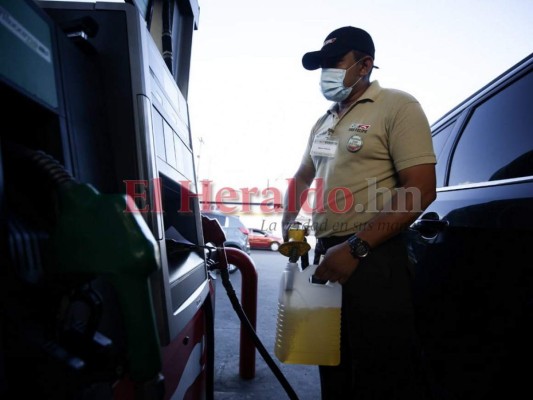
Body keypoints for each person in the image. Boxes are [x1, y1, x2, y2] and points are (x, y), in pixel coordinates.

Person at [281, 26, 437, 399]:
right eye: (322, 66)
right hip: (327, 255)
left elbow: (420, 188)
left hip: (374, 255)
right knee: (333, 368)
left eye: (335, 63)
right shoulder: (324, 122)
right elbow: (302, 177)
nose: (326, 73)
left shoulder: (397, 106)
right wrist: (290, 224)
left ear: (365, 64)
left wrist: (356, 248)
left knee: (379, 374)